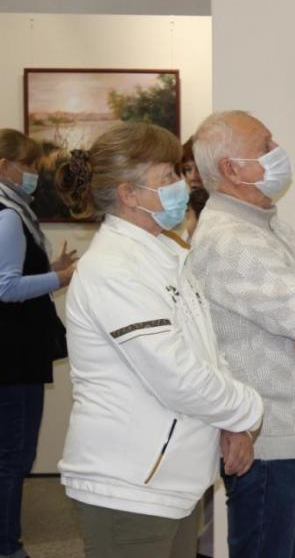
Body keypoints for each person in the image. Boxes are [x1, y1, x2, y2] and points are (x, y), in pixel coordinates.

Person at [54, 122, 265, 558]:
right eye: (167, 176)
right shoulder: (113, 269)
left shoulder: (167, 253)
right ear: (129, 194)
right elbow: (177, 376)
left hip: (172, 478)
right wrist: (248, 410)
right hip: (128, 485)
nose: (182, 184)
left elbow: (205, 352)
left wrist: (232, 422)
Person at [188, 111, 295, 558]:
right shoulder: (230, 240)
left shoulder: (265, 222)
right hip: (268, 443)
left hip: (292, 434)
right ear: (231, 169)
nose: (277, 150)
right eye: (264, 146)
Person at [0, 129, 76, 558]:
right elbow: (6, 288)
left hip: (12, 352)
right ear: (4, 166)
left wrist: (48, 269)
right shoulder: (9, 215)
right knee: (13, 456)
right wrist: (59, 278)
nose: (33, 173)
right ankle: (7, 546)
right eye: (27, 165)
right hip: (14, 355)